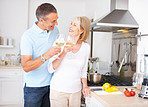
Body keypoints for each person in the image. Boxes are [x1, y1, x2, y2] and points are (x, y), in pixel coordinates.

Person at [20, 3, 61, 107]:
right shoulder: (28, 36)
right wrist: (47, 55)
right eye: (53, 21)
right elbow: (26, 66)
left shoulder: (55, 31)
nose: (56, 23)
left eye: (56, 19)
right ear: (41, 20)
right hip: (33, 88)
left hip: (52, 85)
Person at [48, 16, 91, 107]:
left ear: (82, 30)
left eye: (74, 25)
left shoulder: (86, 47)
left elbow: (83, 71)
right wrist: (63, 52)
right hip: (58, 90)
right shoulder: (59, 42)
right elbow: (51, 68)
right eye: (71, 23)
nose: (70, 27)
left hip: (76, 91)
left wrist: (85, 86)